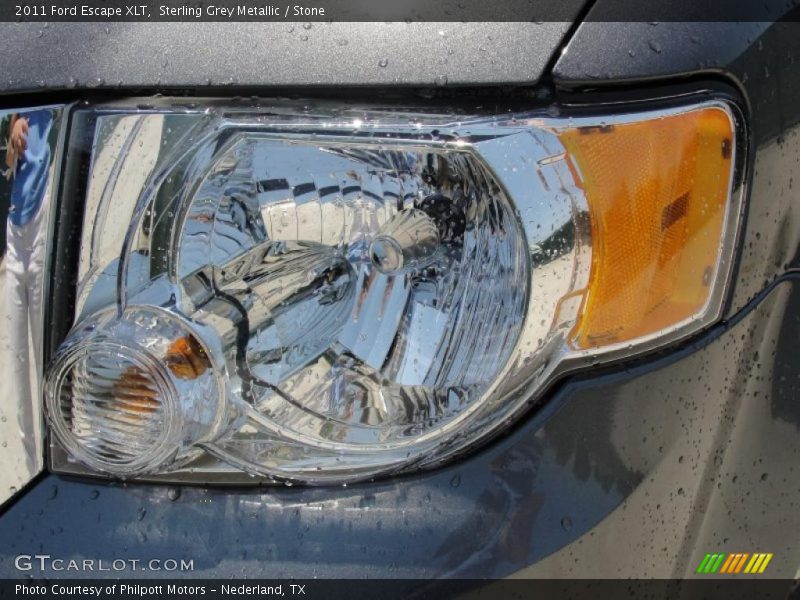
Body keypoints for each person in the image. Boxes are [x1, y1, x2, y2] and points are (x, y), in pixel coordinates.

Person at [3, 109, 54, 473]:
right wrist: (11, 128)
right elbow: (10, 159)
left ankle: (55, 457)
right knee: (18, 356)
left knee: (45, 353)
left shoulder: (50, 108)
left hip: (45, 216)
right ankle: (31, 468)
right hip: (15, 220)